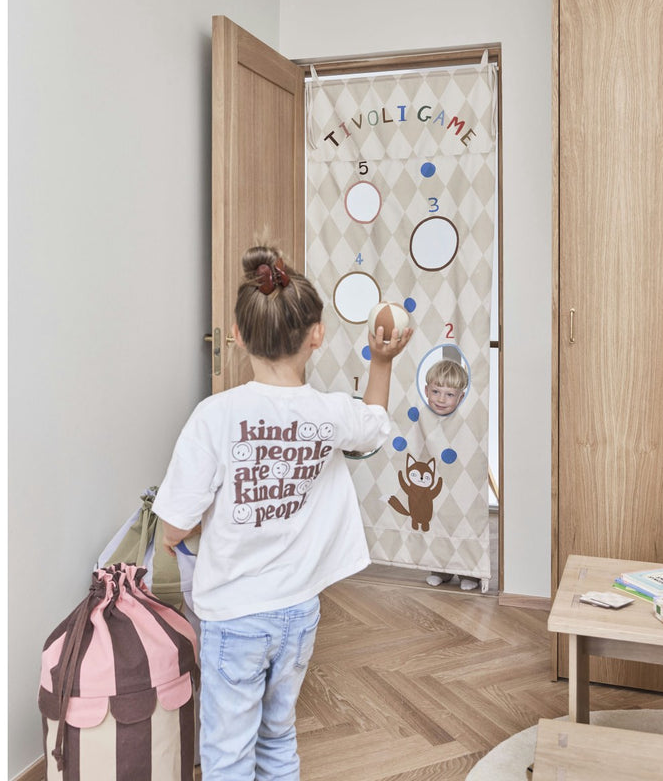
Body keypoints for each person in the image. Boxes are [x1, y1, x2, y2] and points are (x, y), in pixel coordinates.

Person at [152, 245, 412, 781]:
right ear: (317, 335)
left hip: (233, 617)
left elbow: (175, 522)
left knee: (227, 752)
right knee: (278, 737)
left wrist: (183, 538)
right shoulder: (330, 414)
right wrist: (381, 361)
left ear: (237, 334)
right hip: (299, 613)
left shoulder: (214, 416)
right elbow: (374, 423)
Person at [422, 358, 478, 588]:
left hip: (462, 481)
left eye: (449, 394)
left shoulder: (466, 417)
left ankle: (469, 572)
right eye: (436, 391)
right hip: (435, 479)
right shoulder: (424, 416)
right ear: (426, 390)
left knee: (463, 521)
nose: (441, 399)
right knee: (437, 519)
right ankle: (440, 568)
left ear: (461, 397)